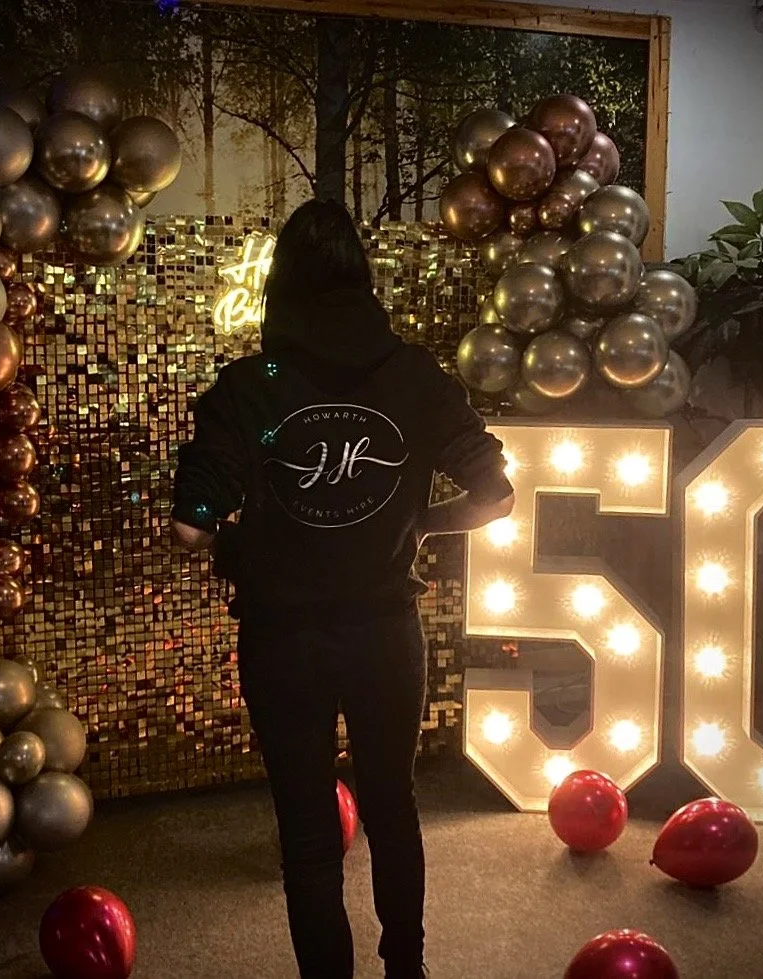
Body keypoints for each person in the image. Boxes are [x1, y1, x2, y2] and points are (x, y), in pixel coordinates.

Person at [169, 198, 515, 979]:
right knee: (393, 808)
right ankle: (406, 972)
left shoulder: (247, 387)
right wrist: (420, 523)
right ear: (363, 282)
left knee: (308, 834)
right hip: (384, 633)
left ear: (281, 288)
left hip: (282, 639)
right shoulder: (411, 375)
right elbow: (496, 497)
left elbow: (187, 528)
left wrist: (236, 544)